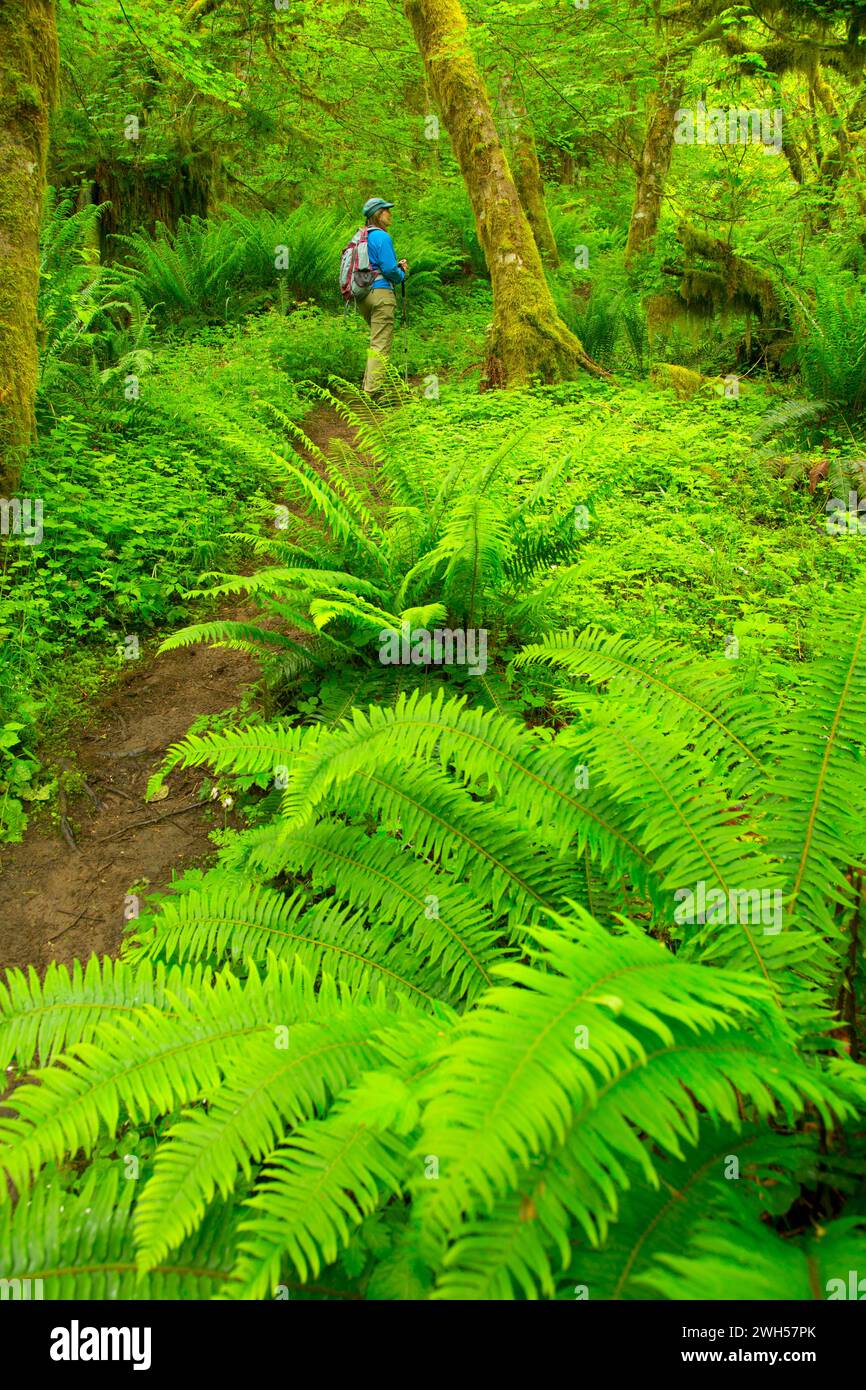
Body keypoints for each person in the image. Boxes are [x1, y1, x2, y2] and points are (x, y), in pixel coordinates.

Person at [358, 196, 409, 397]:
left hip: (362, 295)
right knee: (380, 344)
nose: (390, 213)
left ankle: (370, 385)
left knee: (376, 341)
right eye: (387, 210)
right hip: (381, 294)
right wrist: (402, 272)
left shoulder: (361, 237)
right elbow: (389, 270)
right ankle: (373, 393)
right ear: (378, 215)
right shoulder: (382, 237)